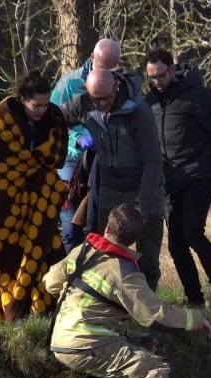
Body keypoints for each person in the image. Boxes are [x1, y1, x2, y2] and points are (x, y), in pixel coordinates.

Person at [43, 203, 211, 378]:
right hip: (86, 346)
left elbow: (50, 284)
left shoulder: (82, 251)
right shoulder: (125, 273)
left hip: (60, 338)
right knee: (156, 370)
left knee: (144, 343)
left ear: (107, 227)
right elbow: (156, 317)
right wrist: (197, 319)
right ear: (135, 238)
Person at [144, 48, 211, 308]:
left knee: (192, 233)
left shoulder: (197, 97)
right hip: (169, 181)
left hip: (200, 175)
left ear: (173, 70)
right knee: (176, 245)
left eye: (161, 75)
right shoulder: (150, 103)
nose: (157, 82)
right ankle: (195, 300)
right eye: (152, 77)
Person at [0, 70, 68, 323]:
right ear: (23, 99)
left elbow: (52, 159)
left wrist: (36, 174)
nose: (41, 110)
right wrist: (28, 172)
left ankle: (37, 303)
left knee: (44, 247)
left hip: (36, 200)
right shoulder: (3, 118)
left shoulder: (53, 118)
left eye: (46, 104)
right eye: (36, 105)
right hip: (1, 200)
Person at [62, 67, 165, 290]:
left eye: (105, 99)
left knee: (147, 257)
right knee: (104, 249)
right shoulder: (84, 103)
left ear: (116, 87)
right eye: (95, 99)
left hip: (143, 186)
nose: (100, 104)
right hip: (109, 185)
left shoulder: (139, 112)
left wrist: (142, 206)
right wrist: (76, 136)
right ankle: (106, 300)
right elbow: (56, 118)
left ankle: (149, 306)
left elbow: (154, 161)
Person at [50, 39, 140, 251]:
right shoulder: (68, 85)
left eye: (112, 68)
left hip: (104, 160)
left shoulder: (123, 87)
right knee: (71, 224)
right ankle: (69, 274)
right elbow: (52, 121)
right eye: (103, 68)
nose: (108, 74)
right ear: (92, 58)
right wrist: (76, 138)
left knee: (98, 224)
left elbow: (127, 124)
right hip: (72, 160)